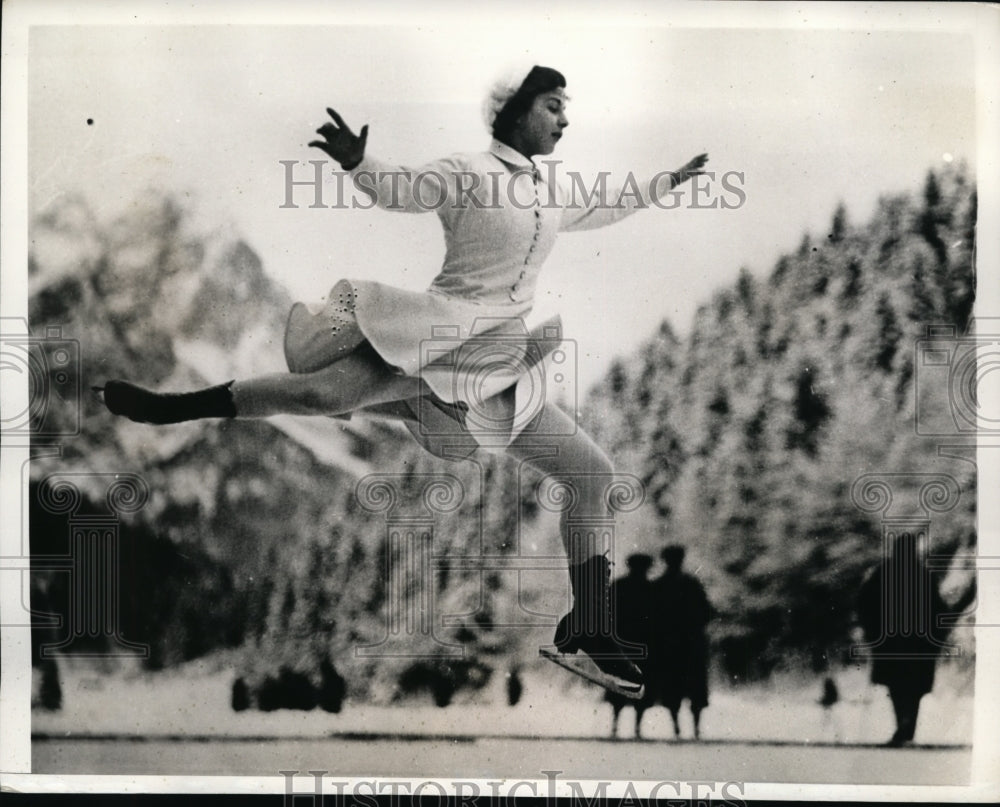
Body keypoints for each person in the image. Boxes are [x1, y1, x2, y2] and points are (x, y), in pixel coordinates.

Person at [96, 65, 709, 695]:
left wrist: (666, 182)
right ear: (517, 110)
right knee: (319, 394)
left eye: (565, 107)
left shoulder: (548, 193)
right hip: (434, 338)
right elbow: (407, 191)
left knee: (592, 474)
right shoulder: (467, 171)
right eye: (553, 105)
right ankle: (173, 408)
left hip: (495, 367)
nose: (564, 118)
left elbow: (605, 207)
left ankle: (590, 622)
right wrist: (361, 165)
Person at [856, 531, 974, 747]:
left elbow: (863, 604)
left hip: (891, 643)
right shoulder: (923, 574)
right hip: (917, 644)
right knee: (912, 688)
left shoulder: (882, 573)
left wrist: (871, 631)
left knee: (898, 686)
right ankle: (906, 727)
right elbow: (937, 610)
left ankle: (904, 725)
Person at [652, 544, 712, 738]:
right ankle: (694, 727)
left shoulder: (659, 586)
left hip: (669, 644)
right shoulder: (692, 584)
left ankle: (677, 726)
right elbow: (708, 612)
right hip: (690, 643)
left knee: (673, 685)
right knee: (692, 686)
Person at [605, 553, 657, 738]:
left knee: (622, 682)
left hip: (624, 643)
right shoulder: (651, 589)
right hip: (642, 644)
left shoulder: (619, 586)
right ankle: (634, 726)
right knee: (638, 683)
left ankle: (617, 723)